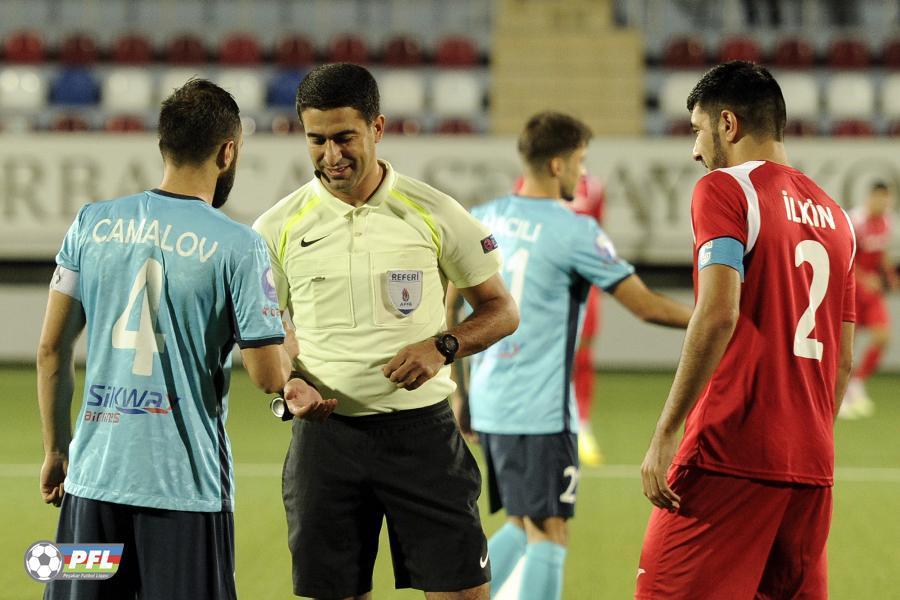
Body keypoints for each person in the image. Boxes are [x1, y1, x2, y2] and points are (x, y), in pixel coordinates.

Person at [37, 79, 333, 600]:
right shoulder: (239, 245)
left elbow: (50, 352)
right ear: (228, 151)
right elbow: (268, 375)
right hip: (184, 491)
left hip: (91, 483)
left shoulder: (91, 224)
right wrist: (287, 342)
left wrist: (57, 451)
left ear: (164, 145)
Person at [252, 63, 519, 600]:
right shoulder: (276, 227)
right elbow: (269, 329)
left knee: (463, 595)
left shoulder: (434, 211)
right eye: (317, 140)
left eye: (344, 137)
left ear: (377, 127)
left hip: (423, 437)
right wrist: (288, 382)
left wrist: (443, 346)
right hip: (326, 443)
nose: (331, 155)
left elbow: (502, 310)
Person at [637, 62, 856, 599]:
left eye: (697, 130)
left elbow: (717, 313)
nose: (695, 150)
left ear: (728, 124)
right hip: (811, 465)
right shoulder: (838, 218)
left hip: (729, 453)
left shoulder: (726, 189)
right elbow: (843, 359)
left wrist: (667, 429)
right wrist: (803, 438)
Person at [452, 111, 692, 600]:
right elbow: (645, 306)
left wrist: (460, 392)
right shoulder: (576, 231)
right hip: (539, 410)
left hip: (491, 401)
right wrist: (714, 319)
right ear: (557, 165)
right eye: (581, 162)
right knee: (550, 532)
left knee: (522, 524)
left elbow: (449, 307)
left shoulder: (483, 217)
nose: (584, 174)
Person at [513, 173, 608, 466]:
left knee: (583, 351)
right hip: (544, 281)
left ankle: (582, 424)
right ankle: (537, 422)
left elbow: (597, 233)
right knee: (538, 351)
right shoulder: (529, 182)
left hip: (581, 279)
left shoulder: (594, 187)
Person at [839, 181, 897, 418]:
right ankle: (840, 395)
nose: (883, 203)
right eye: (879, 198)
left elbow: (881, 254)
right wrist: (864, 279)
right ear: (871, 198)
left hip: (871, 293)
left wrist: (890, 277)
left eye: (887, 199)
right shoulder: (855, 221)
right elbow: (845, 257)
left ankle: (857, 382)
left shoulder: (886, 222)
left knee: (882, 336)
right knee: (845, 345)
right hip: (852, 290)